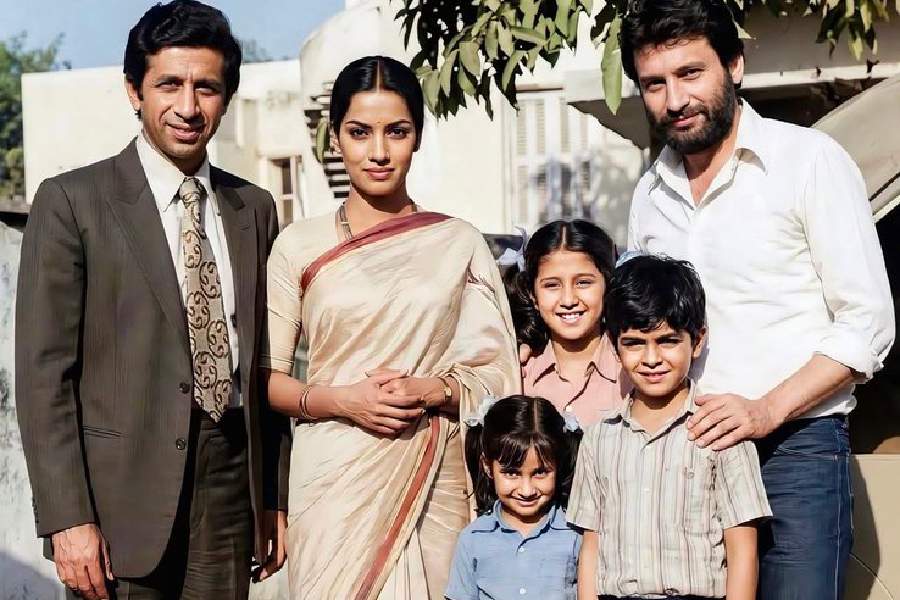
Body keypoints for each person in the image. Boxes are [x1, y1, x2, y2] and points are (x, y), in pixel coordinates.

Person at [15, 1, 290, 598]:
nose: (188, 107)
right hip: (116, 503)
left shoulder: (255, 209)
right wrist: (68, 519)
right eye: (169, 84)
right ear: (133, 90)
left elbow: (270, 359)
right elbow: (44, 378)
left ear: (227, 96)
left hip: (228, 490)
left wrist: (272, 494)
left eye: (207, 88)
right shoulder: (72, 202)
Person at [621, 1, 894, 596]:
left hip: (796, 449)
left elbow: (867, 323)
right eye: (654, 83)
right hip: (687, 454)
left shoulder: (808, 162)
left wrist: (766, 411)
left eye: (691, 74)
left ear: (735, 65)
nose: (674, 100)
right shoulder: (650, 195)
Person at [261, 55, 520, 599]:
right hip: (332, 483)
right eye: (359, 132)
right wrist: (344, 401)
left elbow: (499, 377)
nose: (378, 152)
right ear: (335, 138)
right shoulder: (298, 246)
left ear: (418, 137)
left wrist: (433, 390)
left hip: (432, 477)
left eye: (396, 132)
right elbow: (268, 380)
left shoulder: (459, 243)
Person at [569, 254, 771, 600]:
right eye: (634, 343)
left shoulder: (721, 432)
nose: (651, 359)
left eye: (667, 341)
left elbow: (742, 549)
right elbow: (592, 545)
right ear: (615, 346)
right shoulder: (600, 437)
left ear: (698, 340)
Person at [445, 395, 582, 600]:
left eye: (540, 472)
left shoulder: (575, 535)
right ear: (487, 466)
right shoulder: (473, 538)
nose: (526, 491)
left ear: (559, 464)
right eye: (512, 473)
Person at [511, 220, 628, 426]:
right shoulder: (517, 373)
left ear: (608, 285)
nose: (568, 300)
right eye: (552, 285)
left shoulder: (632, 369)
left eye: (583, 283)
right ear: (532, 295)